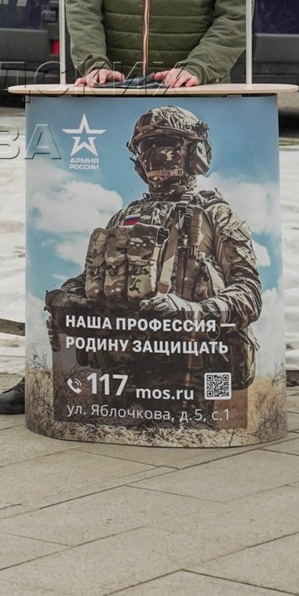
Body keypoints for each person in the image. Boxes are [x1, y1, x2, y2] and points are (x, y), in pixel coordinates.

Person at [0, 0, 248, 415]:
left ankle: (189, 390)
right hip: (114, 93)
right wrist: (92, 64)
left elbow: (235, 12)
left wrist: (199, 68)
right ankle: (48, 378)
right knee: (87, 281)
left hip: (189, 91)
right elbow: (83, 0)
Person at [45, 106, 262, 399]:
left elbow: (249, 293)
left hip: (194, 380)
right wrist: (66, 298)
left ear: (195, 152)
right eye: (146, 146)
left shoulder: (215, 214)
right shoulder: (125, 216)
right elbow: (94, 277)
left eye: (167, 143)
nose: (155, 153)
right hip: (120, 377)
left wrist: (194, 312)